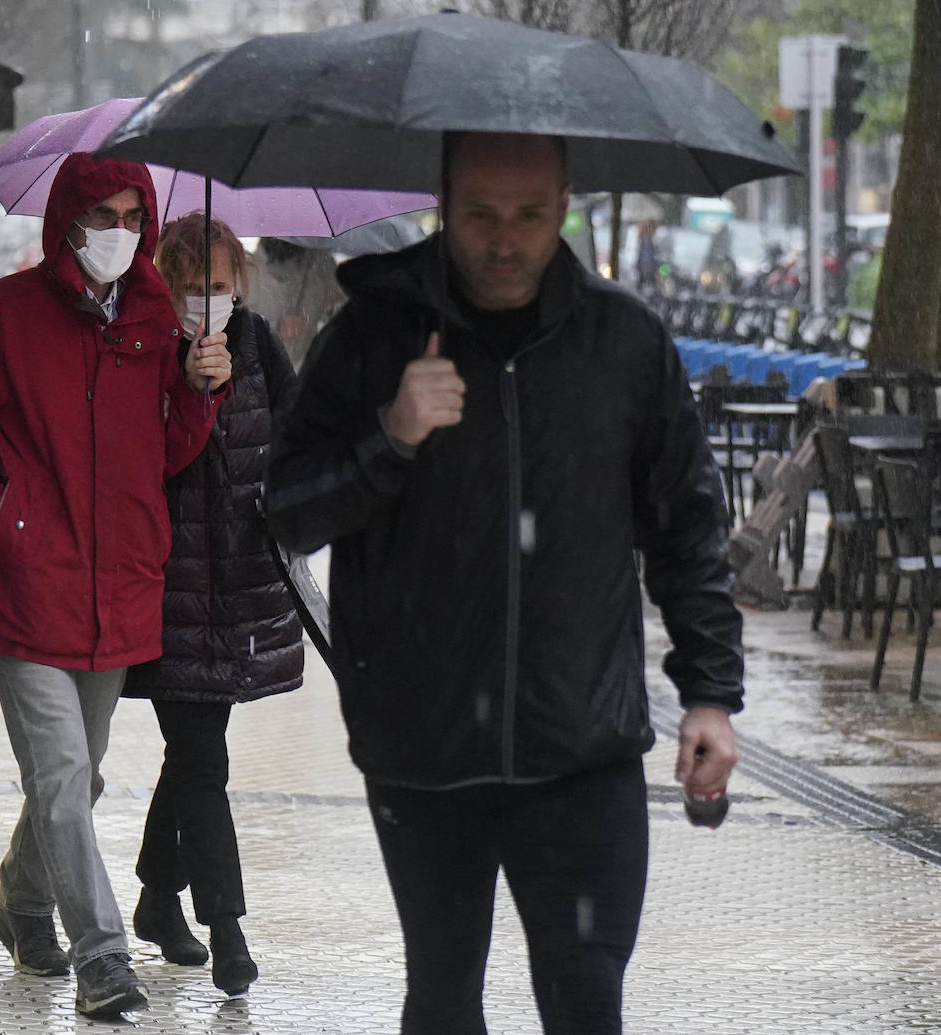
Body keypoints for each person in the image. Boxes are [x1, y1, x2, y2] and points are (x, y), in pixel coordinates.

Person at [265, 132, 744, 1035]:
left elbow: (687, 528)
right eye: (480, 213)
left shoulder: (624, 341)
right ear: (444, 200)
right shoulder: (373, 335)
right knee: (444, 1000)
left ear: (564, 203)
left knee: (587, 1001)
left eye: (528, 215)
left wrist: (711, 695)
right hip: (424, 746)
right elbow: (288, 513)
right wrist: (391, 436)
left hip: (583, 746)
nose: (504, 240)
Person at [0, 154, 232, 1020]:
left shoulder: (157, 319)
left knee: (77, 781)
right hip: (28, 585)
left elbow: (165, 455)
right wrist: (0, 518)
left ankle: (21, 901)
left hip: (121, 585)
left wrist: (199, 394)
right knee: (59, 774)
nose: (120, 232)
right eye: (103, 215)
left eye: (134, 217)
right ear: (66, 221)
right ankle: (102, 956)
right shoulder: (1, 316)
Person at [123, 213, 304, 997]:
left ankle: (157, 899)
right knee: (203, 760)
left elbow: (298, 439)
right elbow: (133, 461)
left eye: (219, 284)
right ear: (165, 285)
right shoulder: (143, 350)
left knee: (192, 755)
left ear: (240, 285)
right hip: (166, 588)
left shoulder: (257, 344)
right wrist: (186, 393)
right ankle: (227, 928)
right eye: (191, 285)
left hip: (236, 590)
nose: (207, 298)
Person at [246, 237, 345, 369]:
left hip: (306, 362)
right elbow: (241, 325)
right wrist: (276, 327)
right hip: (265, 366)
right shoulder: (250, 270)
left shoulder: (322, 264)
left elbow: (336, 309)